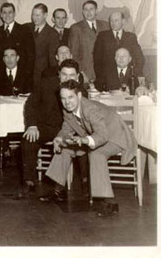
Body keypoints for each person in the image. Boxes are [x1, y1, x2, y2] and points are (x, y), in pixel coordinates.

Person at [40, 80, 137, 217]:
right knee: (65, 147)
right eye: (63, 98)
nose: (67, 102)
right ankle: (58, 191)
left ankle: (110, 202)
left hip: (114, 136)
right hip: (94, 136)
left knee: (96, 154)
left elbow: (102, 136)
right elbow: (66, 128)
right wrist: (59, 138)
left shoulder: (90, 109)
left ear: (79, 96)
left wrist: (85, 140)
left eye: (70, 97)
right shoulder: (68, 110)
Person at [16, 59, 85, 199]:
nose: (67, 78)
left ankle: (59, 187)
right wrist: (32, 125)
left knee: (67, 144)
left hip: (67, 129)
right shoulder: (45, 84)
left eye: (72, 75)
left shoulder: (81, 91)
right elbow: (30, 105)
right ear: (59, 74)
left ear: (78, 76)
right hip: (45, 127)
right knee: (28, 139)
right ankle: (29, 182)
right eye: (64, 74)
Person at [93, 11, 145, 85]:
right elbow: (97, 60)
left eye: (116, 20)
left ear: (123, 21)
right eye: (111, 20)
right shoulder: (102, 36)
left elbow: (140, 59)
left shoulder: (131, 37)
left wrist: (133, 74)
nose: (113, 23)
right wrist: (102, 78)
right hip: (108, 81)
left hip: (128, 80)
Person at [0, 2, 35, 77]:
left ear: (14, 14)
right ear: (1, 15)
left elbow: (30, 57)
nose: (7, 15)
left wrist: (27, 75)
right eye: (4, 12)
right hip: (1, 76)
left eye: (10, 12)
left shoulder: (25, 31)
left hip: (21, 75)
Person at [69, 0, 109, 83]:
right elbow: (73, 54)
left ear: (96, 11)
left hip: (104, 72)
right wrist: (81, 73)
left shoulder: (105, 25)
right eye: (86, 10)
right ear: (83, 12)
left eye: (91, 9)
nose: (88, 12)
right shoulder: (76, 28)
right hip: (86, 73)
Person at [27, 3, 60, 90]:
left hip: (41, 76)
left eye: (38, 15)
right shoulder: (26, 28)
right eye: (33, 14)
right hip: (26, 75)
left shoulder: (52, 34)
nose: (34, 18)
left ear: (45, 15)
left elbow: (52, 60)